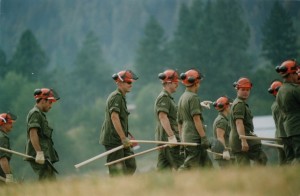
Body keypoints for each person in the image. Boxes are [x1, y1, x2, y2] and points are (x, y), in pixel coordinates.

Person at [99, 70, 138, 176]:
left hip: (121, 139)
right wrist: (123, 138)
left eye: (131, 82)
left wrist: (125, 137)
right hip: (114, 140)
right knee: (118, 172)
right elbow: (114, 117)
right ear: (120, 83)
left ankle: (125, 187)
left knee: (131, 164)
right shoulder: (116, 96)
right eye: (128, 82)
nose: (131, 85)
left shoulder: (121, 97)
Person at [177, 69, 211, 170]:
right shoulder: (193, 97)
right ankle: (177, 177)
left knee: (206, 165)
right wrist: (204, 137)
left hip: (186, 135)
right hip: (194, 137)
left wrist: (182, 139)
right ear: (196, 83)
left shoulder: (182, 97)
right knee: (190, 165)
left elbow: (179, 122)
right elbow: (197, 120)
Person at [229, 77, 267, 166]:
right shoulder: (239, 104)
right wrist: (243, 141)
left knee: (261, 158)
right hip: (240, 140)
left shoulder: (241, 103)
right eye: (243, 89)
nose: (246, 92)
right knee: (245, 167)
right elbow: (239, 123)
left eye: (248, 90)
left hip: (243, 138)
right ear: (237, 90)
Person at [25, 88, 60, 181]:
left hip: (44, 154)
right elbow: (33, 133)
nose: (51, 106)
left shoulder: (39, 114)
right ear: (43, 101)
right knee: (47, 181)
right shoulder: (35, 113)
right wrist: (39, 153)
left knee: (50, 181)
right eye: (50, 102)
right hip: (39, 155)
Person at [154, 69, 184, 171]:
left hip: (164, 140)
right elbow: (163, 117)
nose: (177, 84)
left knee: (163, 171)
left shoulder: (168, 98)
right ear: (168, 83)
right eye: (175, 82)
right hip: (169, 140)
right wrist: (172, 137)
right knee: (182, 167)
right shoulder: (164, 97)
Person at [275, 59, 300, 164]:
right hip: (298, 127)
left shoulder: (281, 90)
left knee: (291, 157)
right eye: (295, 74)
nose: (297, 76)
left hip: (288, 129)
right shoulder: (294, 89)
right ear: (291, 74)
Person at [268, 80, 287, 165]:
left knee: (282, 160)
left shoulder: (274, 105)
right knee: (288, 160)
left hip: (279, 135)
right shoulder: (281, 105)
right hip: (285, 135)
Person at [212, 96, 232, 168]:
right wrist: (225, 151)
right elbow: (220, 137)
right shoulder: (222, 121)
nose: (230, 107)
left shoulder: (222, 119)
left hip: (223, 153)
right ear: (226, 107)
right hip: (223, 154)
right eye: (229, 106)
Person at [0, 112, 17, 184]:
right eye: (10, 123)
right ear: (3, 123)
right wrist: (8, 176)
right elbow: (3, 159)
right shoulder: (2, 138)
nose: (12, 125)